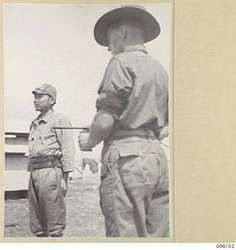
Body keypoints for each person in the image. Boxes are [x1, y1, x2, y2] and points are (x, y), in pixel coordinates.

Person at [78, 5, 169, 237]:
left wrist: (89, 140)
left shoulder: (120, 62)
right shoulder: (160, 69)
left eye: (109, 38)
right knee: (157, 235)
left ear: (122, 32)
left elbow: (105, 120)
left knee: (124, 235)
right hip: (156, 158)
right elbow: (164, 127)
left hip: (126, 159)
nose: (109, 46)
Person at [28, 83, 75, 237]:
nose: (36, 100)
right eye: (35, 96)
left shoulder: (60, 120)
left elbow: (68, 148)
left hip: (50, 172)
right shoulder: (34, 123)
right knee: (37, 224)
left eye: (40, 96)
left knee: (54, 221)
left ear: (52, 100)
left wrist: (65, 179)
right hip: (35, 172)